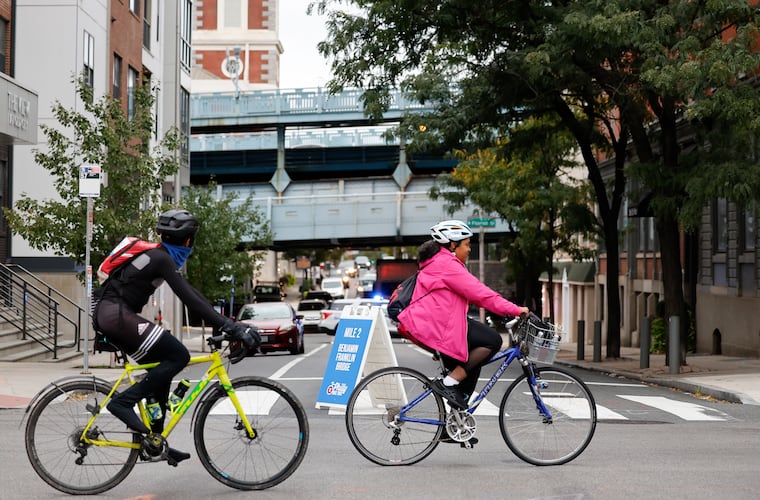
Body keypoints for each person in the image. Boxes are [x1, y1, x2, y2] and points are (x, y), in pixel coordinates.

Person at [93, 209, 259, 464]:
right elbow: (190, 301)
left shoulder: (158, 256)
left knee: (162, 372)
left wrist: (229, 323)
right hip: (116, 316)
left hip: (112, 314)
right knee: (179, 355)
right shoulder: (161, 258)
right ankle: (122, 403)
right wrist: (231, 327)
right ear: (188, 240)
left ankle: (156, 443)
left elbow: (193, 294)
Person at [397, 220, 529, 415]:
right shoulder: (446, 265)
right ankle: (448, 382)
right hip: (440, 327)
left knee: (472, 363)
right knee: (492, 340)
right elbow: (481, 294)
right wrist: (516, 310)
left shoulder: (438, 262)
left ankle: (454, 423)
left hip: (434, 326)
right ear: (452, 245)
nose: (469, 250)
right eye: (466, 245)